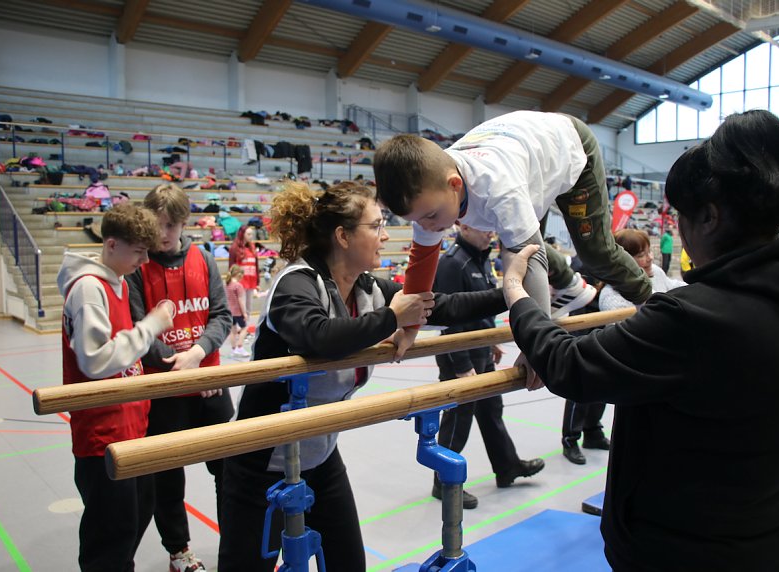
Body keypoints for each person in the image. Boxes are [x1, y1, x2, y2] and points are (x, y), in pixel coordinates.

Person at [502, 109, 779, 571]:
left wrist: (518, 296)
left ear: (710, 217)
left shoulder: (696, 318)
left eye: (682, 217)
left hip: (686, 553)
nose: (679, 230)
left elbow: (570, 366)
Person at [217, 181, 508, 572]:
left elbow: (442, 306)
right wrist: (392, 318)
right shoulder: (296, 283)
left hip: (320, 454)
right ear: (343, 236)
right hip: (259, 462)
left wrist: (510, 293)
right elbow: (320, 337)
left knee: (349, 562)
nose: (385, 236)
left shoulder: (366, 288)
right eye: (376, 226)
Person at [373, 110, 652, 359]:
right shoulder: (427, 202)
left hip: (569, 146)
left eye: (431, 216)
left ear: (454, 185)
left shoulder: (497, 190)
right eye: (416, 220)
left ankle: (651, 300)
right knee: (520, 241)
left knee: (594, 254)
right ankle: (568, 285)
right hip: (527, 159)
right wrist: (409, 328)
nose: (426, 226)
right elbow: (420, 272)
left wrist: (536, 349)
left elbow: (529, 262)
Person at [57, 203, 173, 571]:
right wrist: (150, 326)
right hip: (102, 435)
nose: (144, 261)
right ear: (111, 244)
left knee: (138, 513)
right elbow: (95, 361)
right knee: (110, 536)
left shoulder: (116, 282)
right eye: (138, 251)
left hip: (130, 428)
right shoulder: (89, 289)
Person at [126, 183, 233, 572]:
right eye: (157, 225)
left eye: (170, 225)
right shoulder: (137, 267)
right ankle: (179, 552)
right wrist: (180, 366)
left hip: (209, 384)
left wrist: (198, 355)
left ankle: (237, 543)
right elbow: (137, 330)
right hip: (164, 389)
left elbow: (221, 315)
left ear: (184, 223)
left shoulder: (203, 258)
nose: (163, 233)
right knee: (167, 479)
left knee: (229, 472)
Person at [432, 224, 545, 509]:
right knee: (458, 420)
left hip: (480, 350)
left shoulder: (482, 259)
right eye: (483, 229)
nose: (490, 234)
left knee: (491, 410)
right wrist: (461, 364)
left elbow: (478, 308)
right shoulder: (453, 263)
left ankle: (507, 467)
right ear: (464, 226)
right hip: (460, 355)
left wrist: (491, 341)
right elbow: (448, 317)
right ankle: (443, 481)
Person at [560, 257, 610, 466]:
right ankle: (570, 439)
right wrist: (579, 340)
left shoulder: (610, 258)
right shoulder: (581, 263)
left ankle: (592, 431)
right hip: (585, 330)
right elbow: (576, 302)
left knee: (604, 384)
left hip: (605, 328)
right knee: (579, 385)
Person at [599, 229, 686, 312]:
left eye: (649, 252)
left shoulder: (655, 270)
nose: (650, 258)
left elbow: (673, 286)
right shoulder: (612, 299)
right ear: (622, 262)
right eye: (641, 255)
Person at [228, 224, 260, 317]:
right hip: (240, 282)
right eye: (248, 234)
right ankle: (239, 325)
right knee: (240, 307)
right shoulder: (234, 248)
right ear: (242, 234)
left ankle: (246, 325)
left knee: (249, 307)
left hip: (251, 280)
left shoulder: (252, 247)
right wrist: (232, 281)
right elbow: (231, 266)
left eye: (251, 234)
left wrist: (257, 282)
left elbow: (256, 265)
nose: (251, 236)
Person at [225, 264, 250, 357]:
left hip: (229, 311)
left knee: (233, 331)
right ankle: (240, 347)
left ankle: (233, 349)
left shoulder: (227, 284)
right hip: (237, 312)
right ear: (239, 275)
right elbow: (241, 301)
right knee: (244, 328)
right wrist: (244, 313)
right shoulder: (238, 286)